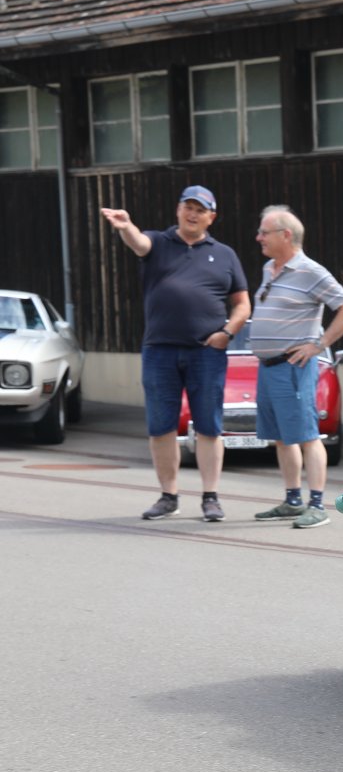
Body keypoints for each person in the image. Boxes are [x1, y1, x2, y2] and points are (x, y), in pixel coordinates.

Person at [101, 186, 250, 521]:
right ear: (178, 210)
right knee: (161, 426)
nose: (192, 214)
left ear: (211, 217)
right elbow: (139, 243)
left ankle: (211, 497)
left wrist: (227, 333)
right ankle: (168, 496)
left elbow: (242, 304)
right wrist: (126, 226)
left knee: (209, 426)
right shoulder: (158, 242)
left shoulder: (224, 254)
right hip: (160, 351)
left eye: (200, 209)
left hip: (206, 352)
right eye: (188, 207)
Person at [247, 205, 343, 529]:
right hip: (269, 366)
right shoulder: (269, 268)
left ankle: (317, 505)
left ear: (286, 235)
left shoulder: (311, 271)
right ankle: (293, 500)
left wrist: (319, 345)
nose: (258, 238)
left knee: (308, 436)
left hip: (293, 367)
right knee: (283, 438)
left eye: (264, 232)